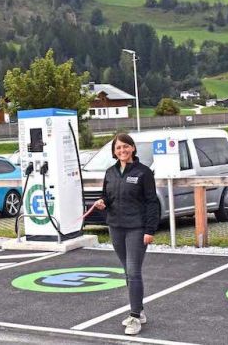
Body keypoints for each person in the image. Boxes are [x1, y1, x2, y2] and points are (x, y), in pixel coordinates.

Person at [93, 133, 160, 336]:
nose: (122, 150)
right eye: (118, 148)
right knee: (126, 271)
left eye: (125, 146)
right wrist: (102, 202)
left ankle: (134, 316)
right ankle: (139, 310)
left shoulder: (144, 173)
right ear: (114, 152)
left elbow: (152, 203)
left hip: (136, 228)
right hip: (115, 227)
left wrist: (150, 230)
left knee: (133, 271)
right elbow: (108, 196)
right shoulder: (110, 172)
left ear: (132, 148)